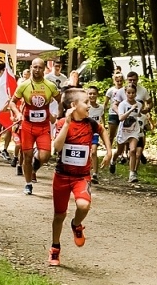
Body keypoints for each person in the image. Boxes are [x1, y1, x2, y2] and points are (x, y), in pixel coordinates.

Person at [48, 89, 105, 267]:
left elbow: (102, 131)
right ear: (73, 106)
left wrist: (109, 151)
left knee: (84, 205)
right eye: (86, 102)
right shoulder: (61, 123)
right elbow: (56, 147)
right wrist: (67, 123)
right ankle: (55, 249)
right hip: (62, 176)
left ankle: (76, 224)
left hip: (82, 176)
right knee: (59, 215)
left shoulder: (90, 123)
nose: (89, 105)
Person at [13, 57, 60, 196]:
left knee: (45, 156)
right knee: (26, 156)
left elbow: (60, 100)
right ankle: (28, 184)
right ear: (31, 67)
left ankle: (34, 165)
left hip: (43, 126)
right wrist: (17, 113)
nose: (37, 70)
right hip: (27, 125)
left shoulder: (50, 85)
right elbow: (12, 102)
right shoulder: (24, 85)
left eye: (40, 67)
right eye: (35, 67)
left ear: (44, 69)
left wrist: (56, 114)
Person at [113, 80, 147, 183]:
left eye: (133, 93)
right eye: (128, 92)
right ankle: (113, 161)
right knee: (119, 151)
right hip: (123, 130)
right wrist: (130, 110)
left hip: (134, 130)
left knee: (132, 150)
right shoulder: (122, 104)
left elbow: (139, 115)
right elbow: (121, 118)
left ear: (136, 93)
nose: (131, 95)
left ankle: (132, 174)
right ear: (125, 93)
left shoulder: (139, 105)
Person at [104, 68, 127, 169]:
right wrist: (102, 112)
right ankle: (108, 151)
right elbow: (106, 103)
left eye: (120, 81)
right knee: (111, 135)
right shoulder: (111, 90)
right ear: (114, 81)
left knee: (124, 134)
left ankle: (122, 154)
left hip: (123, 114)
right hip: (113, 113)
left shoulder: (126, 90)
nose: (119, 82)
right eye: (117, 81)